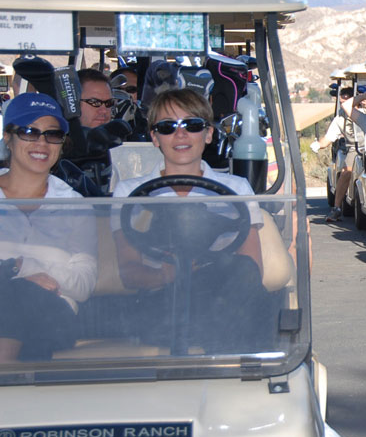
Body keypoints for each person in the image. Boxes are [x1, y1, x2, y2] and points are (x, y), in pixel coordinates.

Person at [112, 88, 271, 353]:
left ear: (208, 134)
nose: (181, 134)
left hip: (221, 295)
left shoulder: (237, 188)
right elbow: (129, 272)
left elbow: (251, 266)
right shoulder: (129, 193)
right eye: (167, 127)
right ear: (154, 137)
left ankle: (225, 359)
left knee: (242, 274)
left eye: (192, 125)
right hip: (162, 301)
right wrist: (171, 274)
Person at [0, 94, 97, 362]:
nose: (41, 143)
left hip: (54, 314)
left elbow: (83, 285)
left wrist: (25, 268)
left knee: (21, 296)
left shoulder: (75, 205)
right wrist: (17, 270)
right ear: (8, 137)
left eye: (52, 135)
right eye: (29, 132)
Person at [319, 87, 358, 222]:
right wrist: (318, 144)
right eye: (341, 102)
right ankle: (336, 208)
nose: (343, 104)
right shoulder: (340, 118)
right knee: (346, 171)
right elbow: (328, 138)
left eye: (346, 101)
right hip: (355, 147)